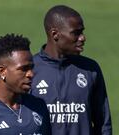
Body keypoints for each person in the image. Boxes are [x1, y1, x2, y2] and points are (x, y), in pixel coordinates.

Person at [31, 5, 112, 135]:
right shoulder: (30, 69)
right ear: (55, 34)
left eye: (82, 31)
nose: (82, 38)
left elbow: (103, 124)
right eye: (76, 33)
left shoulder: (90, 69)